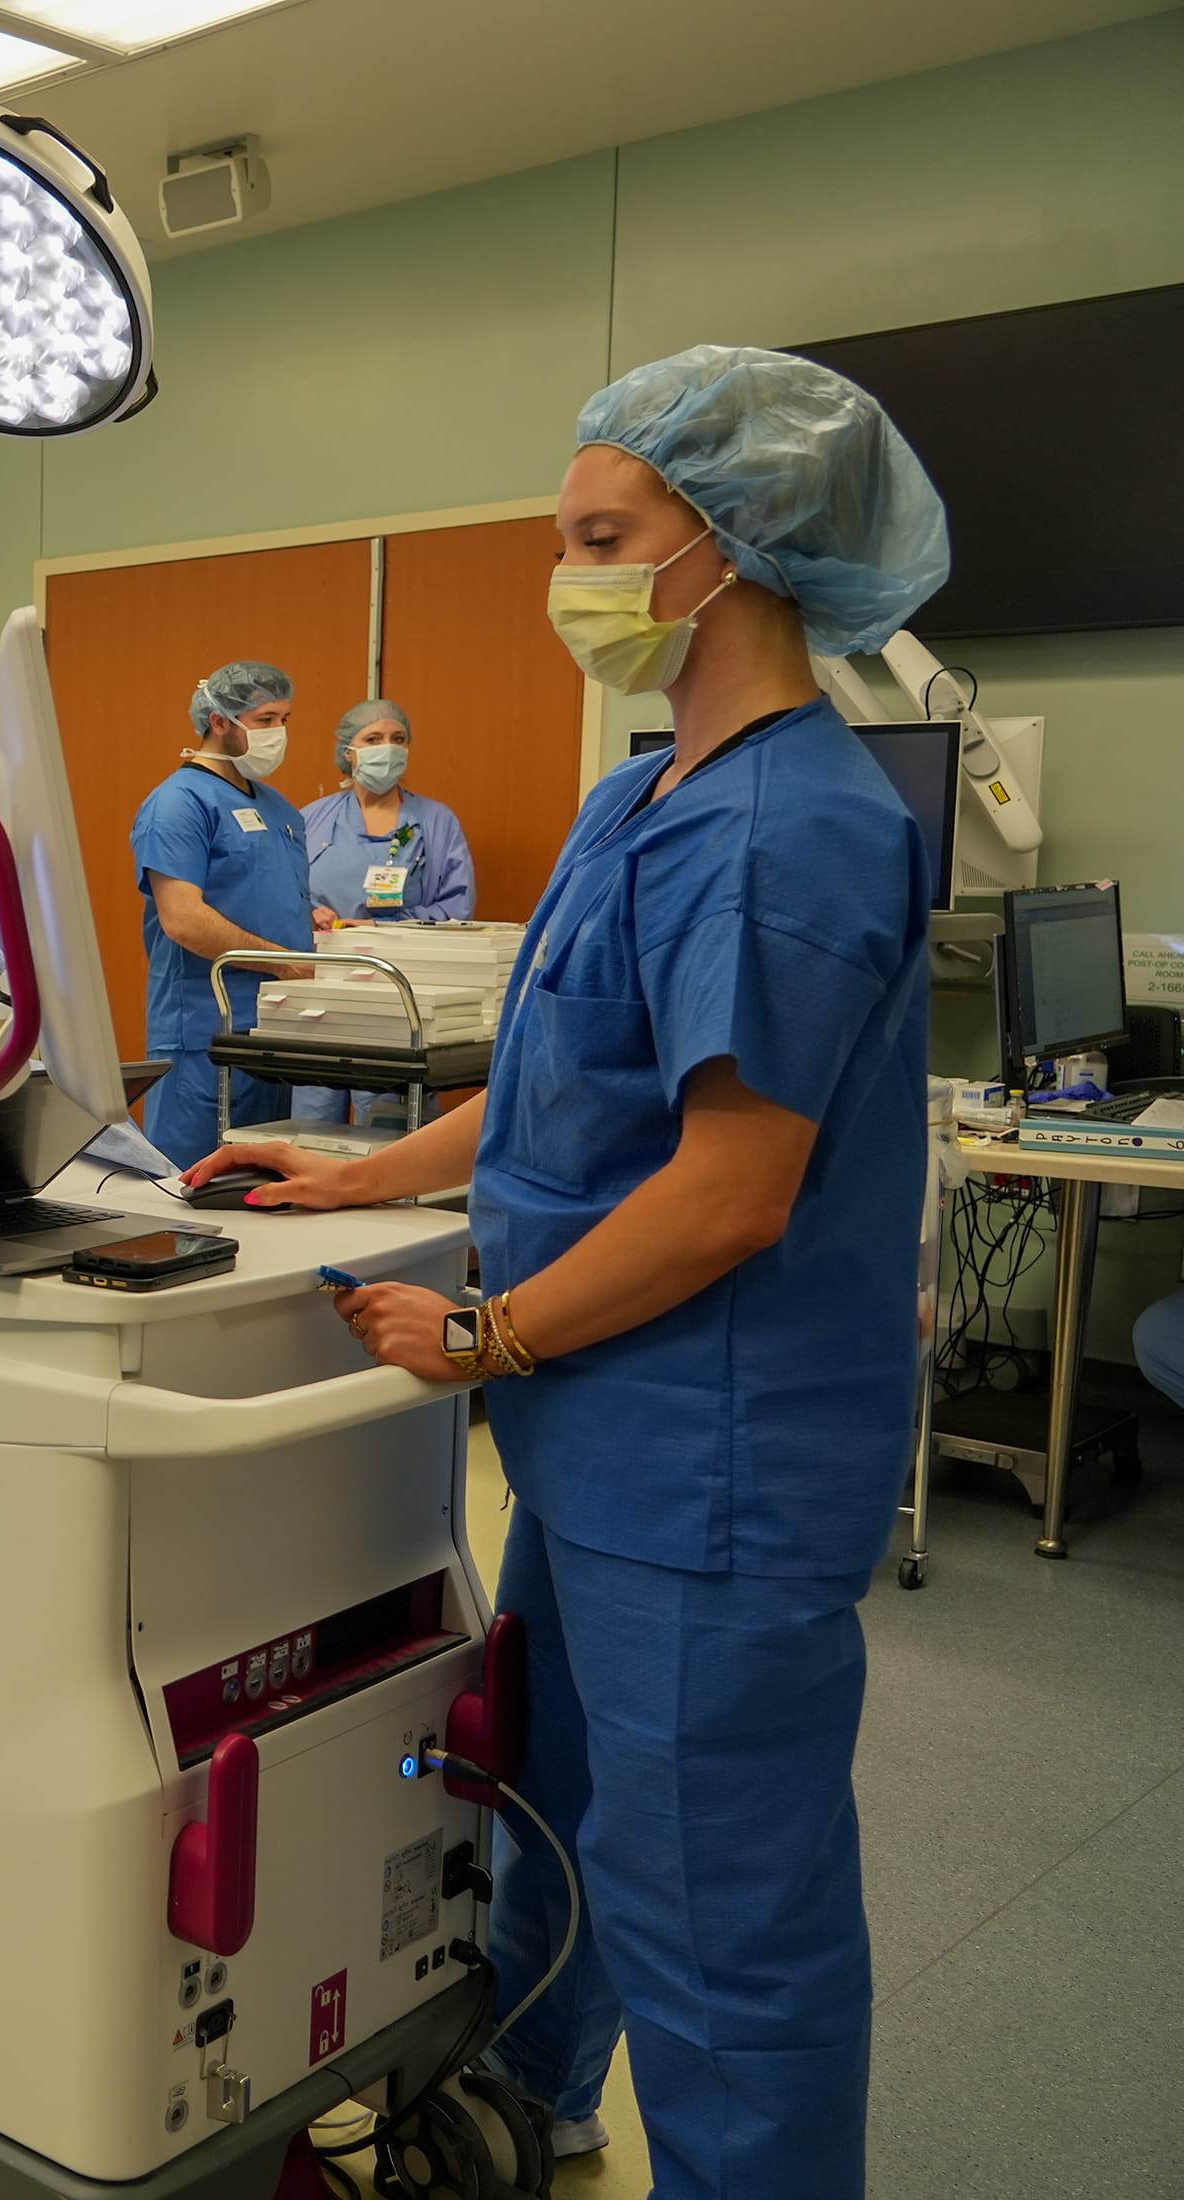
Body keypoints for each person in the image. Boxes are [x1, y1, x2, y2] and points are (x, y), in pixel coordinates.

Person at [187, 346, 947, 2199]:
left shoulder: (788, 831)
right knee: (550, 1809)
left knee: (724, 1926)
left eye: (608, 537)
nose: (575, 581)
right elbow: (551, 1105)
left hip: (713, 1466)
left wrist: (484, 1329)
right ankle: (520, 2114)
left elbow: (726, 1197)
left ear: (745, 544)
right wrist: (351, 1174)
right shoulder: (640, 800)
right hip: (595, 1441)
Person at [132, 660, 313, 1166]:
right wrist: (282, 961)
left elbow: (274, 897)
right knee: (192, 1190)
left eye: (285, 719)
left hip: (275, 1032)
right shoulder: (179, 803)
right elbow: (183, 920)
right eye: (265, 720)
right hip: (205, 1035)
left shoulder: (281, 810)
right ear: (219, 722)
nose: (279, 733)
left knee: (264, 1191)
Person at [294, 700, 476, 1125]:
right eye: (373, 739)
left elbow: (458, 907)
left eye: (398, 739)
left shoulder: (435, 822)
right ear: (348, 753)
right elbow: (286, 892)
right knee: (313, 1110)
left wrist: (384, 926)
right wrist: (311, 913)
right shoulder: (311, 820)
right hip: (323, 984)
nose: (387, 748)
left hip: (401, 985)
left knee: (391, 1113)